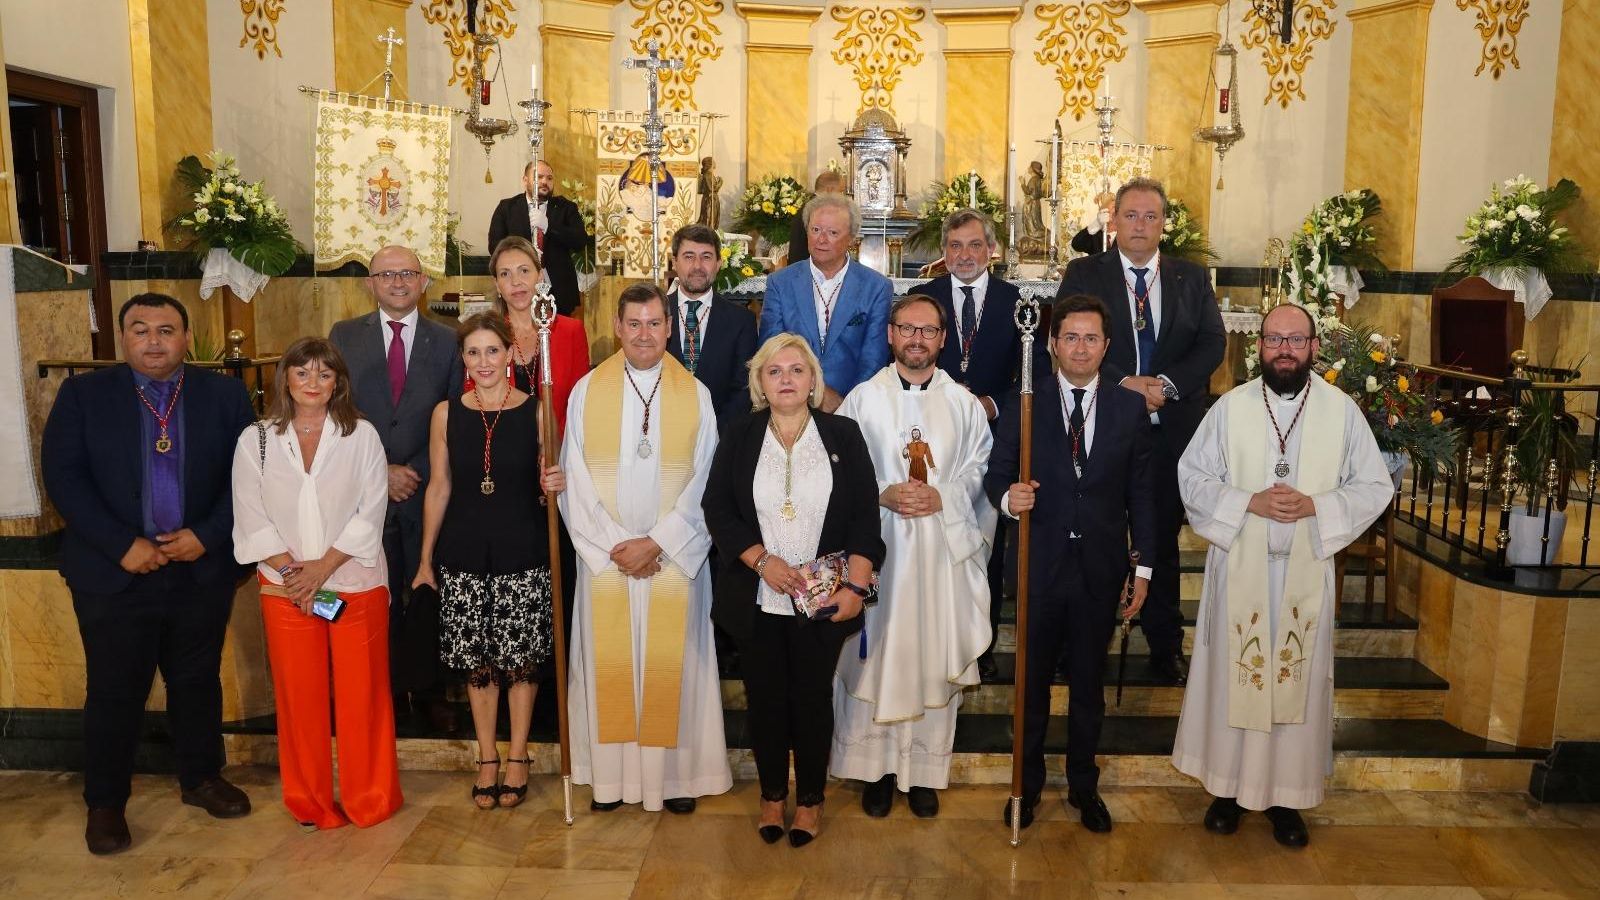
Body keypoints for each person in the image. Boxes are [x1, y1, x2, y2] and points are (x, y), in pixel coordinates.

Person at [42, 293, 256, 855]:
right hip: (114, 573)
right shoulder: (85, 395)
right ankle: (106, 804)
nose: (154, 340)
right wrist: (122, 546)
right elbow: (64, 477)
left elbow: (252, 479)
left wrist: (206, 535)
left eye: (167, 329)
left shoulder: (224, 395)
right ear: (122, 339)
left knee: (196, 680)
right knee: (114, 690)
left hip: (198, 567)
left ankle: (201, 778)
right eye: (140, 330)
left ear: (187, 338)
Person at [1172, 303, 1392, 848]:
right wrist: (1249, 502)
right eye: (1274, 339)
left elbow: (1374, 487)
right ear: (1258, 346)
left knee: (1295, 683)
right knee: (1235, 675)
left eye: (1296, 340)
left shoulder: (1342, 412)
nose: (1285, 349)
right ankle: (1227, 790)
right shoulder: (1230, 409)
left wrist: (1316, 507)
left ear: (1315, 347)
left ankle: (1286, 801)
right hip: (1239, 569)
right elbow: (1192, 478)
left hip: (1304, 576)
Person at [702, 333, 885, 846]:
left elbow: (865, 518)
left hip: (823, 601)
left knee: (810, 699)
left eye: (796, 370)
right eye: (774, 370)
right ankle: (770, 797)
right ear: (760, 381)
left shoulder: (843, 436)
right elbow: (717, 508)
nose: (786, 379)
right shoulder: (739, 434)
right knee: (764, 701)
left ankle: (809, 801)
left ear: (812, 381)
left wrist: (855, 586)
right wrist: (761, 561)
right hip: (757, 597)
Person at [984, 293, 1156, 833]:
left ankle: (1084, 785)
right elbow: (996, 473)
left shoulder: (1130, 408)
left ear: (1107, 346)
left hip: (1099, 570)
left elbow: (1143, 494)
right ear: (1052, 344)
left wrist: (1143, 568)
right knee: (1030, 687)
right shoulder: (1025, 400)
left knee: (1088, 686)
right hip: (1040, 563)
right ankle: (1026, 788)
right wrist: (1011, 498)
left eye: (1091, 338)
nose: (1080, 348)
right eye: (1070, 337)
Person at [558, 282, 732, 814]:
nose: (644, 334)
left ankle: (674, 781)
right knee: (609, 667)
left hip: (671, 562)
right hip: (609, 563)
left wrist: (658, 543)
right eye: (633, 323)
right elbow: (574, 476)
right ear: (616, 328)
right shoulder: (587, 391)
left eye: (654, 323)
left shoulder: (695, 394)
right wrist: (617, 547)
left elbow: (709, 482)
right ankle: (609, 782)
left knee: (671, 666)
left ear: (670, 328)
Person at [1055, 176, 1226, 686]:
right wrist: (1125, 382)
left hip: (1173, 430)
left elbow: (1213, 344)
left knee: (1162, 540)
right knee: (1095, 536)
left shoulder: (1191, 279)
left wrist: (1168, 385)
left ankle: (1165, 645)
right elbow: (1063, 339)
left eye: (1151, 217)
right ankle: (1079, 644)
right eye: (1130, 215)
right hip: (1102, 424)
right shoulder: (1085, 272)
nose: (1140, 225)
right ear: (1114, 220)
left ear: (1164, 225)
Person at [830, 296, 993, 819]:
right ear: (891, 335)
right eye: (907, 329)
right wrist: (882, 492)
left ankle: (922, 772)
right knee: (878, 657)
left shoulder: (964, 404)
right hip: (880, 553)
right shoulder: (861, 399)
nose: (917, 339)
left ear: (943, 338)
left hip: (940, 557)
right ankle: (873, 771)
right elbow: (842, 474)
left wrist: (942, 495)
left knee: (928, 654)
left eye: (928, 330)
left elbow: (980, 467)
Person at [230, 337, 401, 829]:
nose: (312, 383)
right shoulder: (255, 439)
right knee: (298, 697)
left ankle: (369, 797)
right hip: (283, 586)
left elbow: (371, 508)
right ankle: (310, 801)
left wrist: (321, 570)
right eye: (302, 372)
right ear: (285, 378)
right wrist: (293, 574)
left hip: (354, 580)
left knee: (361, 694)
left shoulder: (361, 435)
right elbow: (251, 513)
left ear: (337, 383)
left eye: (323, 374)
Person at [412, 314, 566, 809]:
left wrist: (552, 489)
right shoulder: (445, 413)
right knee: (478, 663)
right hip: (463, 548)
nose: (484, 362)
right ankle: (487, 758)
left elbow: (551, 488)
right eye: (473, 353)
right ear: (463, 358)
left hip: (522, 547)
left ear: (509, 353)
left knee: (519, 662)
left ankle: (518, 755)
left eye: (493, 351)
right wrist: (425, 558)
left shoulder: (537, 410)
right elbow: (439, 486)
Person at [908, 208, 1046, 680]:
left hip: (992, 436)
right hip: (930, 437)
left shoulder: (1018, 302)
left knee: (985, 541)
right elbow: (908, 357)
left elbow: (1034, 376)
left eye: (973, 246)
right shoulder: (921, 298)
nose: (964, 255)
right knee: (929, 533)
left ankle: (980, 643)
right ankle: (927, 633)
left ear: (992, 249)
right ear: (943, 253)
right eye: (954, 247)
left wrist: (989, 404)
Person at [330, 246, 463, 731]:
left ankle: (429, 692)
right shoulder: (344, 337)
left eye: (408, 273)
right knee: (374, 594)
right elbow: (335, 409)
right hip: (365, 492)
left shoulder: (449, 341)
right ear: (370, 284)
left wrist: (416, 470)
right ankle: (381, 690)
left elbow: (457, 412)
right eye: (387, 275)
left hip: (427, 487)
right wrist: (380, 469)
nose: (398, 282)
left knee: (426, 590)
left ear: (423, 281)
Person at [759, 193, 892, 411]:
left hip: (852, 407)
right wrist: (812, 393)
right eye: (816, 230)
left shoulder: (876, 287)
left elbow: (873, 360)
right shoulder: (780, 283)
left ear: (851, 238)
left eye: (832, 232)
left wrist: (848, 406)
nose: (821, 239)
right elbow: (770, 349)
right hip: (791, 405)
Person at [490, 236, 590, 437]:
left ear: (540, 277)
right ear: (497, 285)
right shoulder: (488, 336)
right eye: (505, 274)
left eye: (524, 271)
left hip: (558, 452)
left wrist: (556, 447)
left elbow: (580, 404)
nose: (516, 282)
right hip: (503, 451)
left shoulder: (571, 331)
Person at [665, 224, 758, 425]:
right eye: (689, 256)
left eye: (706, 257)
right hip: (661, 432)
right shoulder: (656, 315)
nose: (697, 266)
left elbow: (745, 389)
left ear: (718, 263)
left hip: (721, 437)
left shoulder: (741, 321)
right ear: (674, 262)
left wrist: (715, 434)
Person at [488, 159, 591, 315]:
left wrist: (549, 227)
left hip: (558, 288)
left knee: (559, 334)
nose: (545, 182)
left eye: (549, 178)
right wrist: (525, 254)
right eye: (539, 177)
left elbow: (579, 240)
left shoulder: (565, 207)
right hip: (519, 285)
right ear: (525, 180)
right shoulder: (507, 208)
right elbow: (495, 246)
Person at [787, 170, 844, 266]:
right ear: (829, 190)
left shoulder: (811, 206)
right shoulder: (818, 211)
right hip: (807, 270)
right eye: (841, 192)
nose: (843, 196)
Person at [696, 156, 722, 230]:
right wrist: (720, 182)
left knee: (712, 218)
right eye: (713, 161)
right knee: (709, 218)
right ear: (710, 163)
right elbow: (712, 188)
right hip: (710, 200)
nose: (715, 162)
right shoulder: (708, 174)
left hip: (712, 198)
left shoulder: (710, 174)